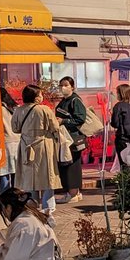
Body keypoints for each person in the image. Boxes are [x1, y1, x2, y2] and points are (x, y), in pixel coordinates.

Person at [11, 85, 61, 219]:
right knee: (47, 175)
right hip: (43, 144)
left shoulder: (18, 110)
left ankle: (32, 204)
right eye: (40, 94)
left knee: (29, 176)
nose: (42, 96)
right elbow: (55, 127)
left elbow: (15, 129)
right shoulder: (45, 110)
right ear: (36, 97)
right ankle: (47, 207)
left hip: (26, 145)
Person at [55, 76, 87, 204]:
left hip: (72, 139)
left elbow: (80, 119)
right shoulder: (64, 100)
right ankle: (74, 192)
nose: (63, 87)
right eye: (61, 85)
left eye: (66, 85)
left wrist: (64, 121)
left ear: (72, 87)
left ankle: (72, 193)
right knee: (67, 164)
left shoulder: (75, 100)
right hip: (65, 138)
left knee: (72, 165)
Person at [109, 83, 130, 169]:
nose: (116, 95)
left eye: (117, 93)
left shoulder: (119, 106)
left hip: (123, 138)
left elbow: (115, 123)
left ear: (121, 94)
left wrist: (111, 117)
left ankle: (125, 181)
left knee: (124, 164)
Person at [0, 89, 20, 197]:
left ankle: (5, 198)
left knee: (4, 173)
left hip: (5, 144)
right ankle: (18, 197)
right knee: (17, 173)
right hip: (18, 142)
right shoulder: (16, 108)